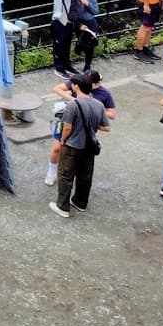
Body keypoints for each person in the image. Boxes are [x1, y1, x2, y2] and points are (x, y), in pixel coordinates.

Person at [50, 71, 108, 217]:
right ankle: (80, 202)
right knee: (85, 175)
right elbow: (106, 127)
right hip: (89, 146)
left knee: (65, 175)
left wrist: (63, 140)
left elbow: (67, 127)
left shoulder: (73, 105)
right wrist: (91, 124)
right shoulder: (99, 105)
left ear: (76, 87)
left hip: (73, 145)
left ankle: (63, 206)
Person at [44, 70, 117, 187]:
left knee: (78, 151)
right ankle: (51, 172)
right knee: (57, 147)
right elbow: (57, 88)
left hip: (85, 126)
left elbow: (112, 114)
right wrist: (72, 100)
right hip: (67, 118)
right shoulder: (79, 83)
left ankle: (71, 176)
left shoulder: (104, 93)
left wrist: (93, 109)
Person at [51, 0, 105, 76]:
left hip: (69, 22)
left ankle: (67, 65)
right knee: (59, 46)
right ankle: (59, 68)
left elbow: (75, 6)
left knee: (66, 45)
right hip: (60, 22)